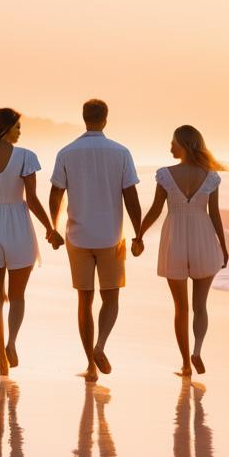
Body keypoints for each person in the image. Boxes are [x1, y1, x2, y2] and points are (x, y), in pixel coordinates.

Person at [49, 99, 142, 381]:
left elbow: (56, 194)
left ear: (83, 117)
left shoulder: (67, 153)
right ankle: (100, 345)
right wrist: (139, 233)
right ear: (105, 119)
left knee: (84, 300)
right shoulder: (121, 152)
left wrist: (52, 228)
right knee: (111, 297)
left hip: (78, 235)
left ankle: (90, 365)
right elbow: (131, 197)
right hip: (111, 236)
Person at [0, 107, 63, 375]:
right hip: (18, 226)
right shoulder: (26, 157)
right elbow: (31, 199)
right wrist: (51, 229)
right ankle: (11, 343)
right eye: (18, 127)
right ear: (7, 127)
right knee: (18, 295)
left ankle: (1, 357)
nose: (20, 132)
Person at [132, 125, 229, 376]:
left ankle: (186, 364)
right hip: (203, 239)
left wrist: (139, 235)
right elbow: (215, 215)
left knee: (181, 308)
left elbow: (155, 210)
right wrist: (223, 247)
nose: (170, 147)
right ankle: (197, 351)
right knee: (201, 306)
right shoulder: (211, 176)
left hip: (175, 240)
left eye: (173, 142)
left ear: (184, 145)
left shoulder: (165, 175)